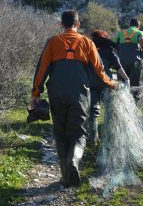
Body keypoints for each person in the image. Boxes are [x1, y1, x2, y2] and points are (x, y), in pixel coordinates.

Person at [30, 10, 117, 187]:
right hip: (80, 94)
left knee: (60, 134)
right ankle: (74, 162)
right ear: (78, 24)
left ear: (62, 24)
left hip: (56, 93)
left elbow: (41, 70)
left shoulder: (53, 42)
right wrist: (112, 84)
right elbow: (100, 71)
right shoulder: (87, 42)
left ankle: (65, 177)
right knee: (78, 133)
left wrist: (35, 95)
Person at [88, 30, 129, 145]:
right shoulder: (109, 51)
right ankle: (111, 137)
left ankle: (93, 138)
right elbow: (118, 67)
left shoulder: (89, 49)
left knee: (93, 111)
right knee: (111, 110)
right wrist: (126, 79)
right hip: (107, 83)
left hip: (91, 82)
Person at [112, 18, 143, 100]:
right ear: (138, 26)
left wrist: (119, 51)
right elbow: (141, 39)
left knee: (121, 81)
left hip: (121, 60)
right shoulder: (139, 32)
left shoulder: (121, 33)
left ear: (129, 25)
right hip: (135, 60)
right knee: (134, 82)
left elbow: (113, 43)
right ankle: (134, 101)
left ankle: (120, 100)